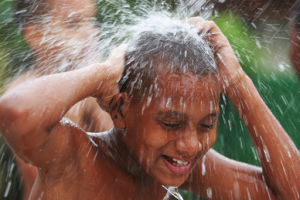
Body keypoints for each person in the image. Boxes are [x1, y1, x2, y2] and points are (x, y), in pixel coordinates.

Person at [0, 17, 299, 200]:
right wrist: (103, 74)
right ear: (119, 110)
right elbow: (16, 112)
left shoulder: (180, 165)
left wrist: (237, 81)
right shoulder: (74, 158)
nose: (191, 144)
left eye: (207, 125)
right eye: (170, 123)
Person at [2, 0, 113, 199]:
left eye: (92, 21)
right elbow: (52, 175)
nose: (90, 33)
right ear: (35, 36)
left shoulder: (96, 90)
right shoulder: (22, 93)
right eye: (73, 23)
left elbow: (125, 149)